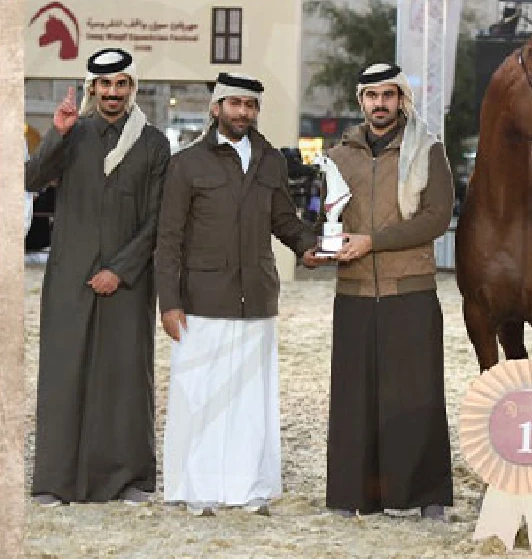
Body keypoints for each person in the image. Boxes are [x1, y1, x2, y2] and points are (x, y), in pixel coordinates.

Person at [155, 72, 321, 517]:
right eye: (235, 104)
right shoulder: (186, 163)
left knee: (251, 401)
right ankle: (198, 491)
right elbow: (168, 238)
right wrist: (169, 302)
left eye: (250, 105)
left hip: (257, 297)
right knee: (201, 397)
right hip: (201, 299)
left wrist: (309, 247)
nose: (243, 112)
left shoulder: (271, 160)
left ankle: (249, 489)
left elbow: (283, 219)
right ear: (217, 108)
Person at [25, 47, 171, 507]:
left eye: (121, 84)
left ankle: (129, 479)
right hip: (70, 276)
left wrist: (120, 270)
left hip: (129, 280)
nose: (113, 93)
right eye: (104, 84)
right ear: (93, 88)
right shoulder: (74, 133)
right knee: (64, 374)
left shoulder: (153, 143)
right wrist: (57, 132)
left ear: (132, 88)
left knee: (125, 376)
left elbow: (158, 219)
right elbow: (30, 179)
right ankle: (55, 481)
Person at [319, 63, 455, 519]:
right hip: (353, 291)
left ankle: (425, 497)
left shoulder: (428, 151)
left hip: (410, 290)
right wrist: (320, 246)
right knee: (353, 399)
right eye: (372, 95)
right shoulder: (339, 157)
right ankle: (353, 496)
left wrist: (373, 242)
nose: (380, 104)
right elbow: (327, 218)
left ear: (401, 100)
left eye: (388, 95)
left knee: (417, 397)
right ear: (361, 101)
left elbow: (436, 218)